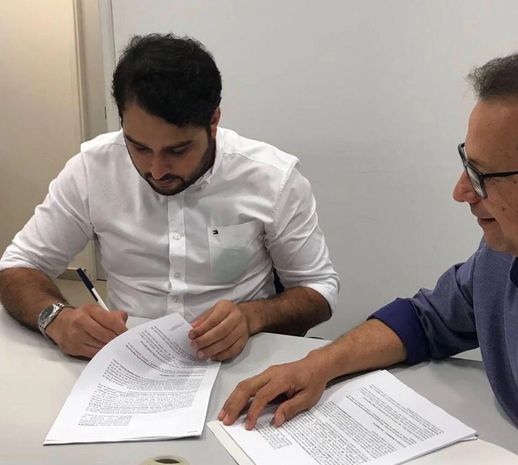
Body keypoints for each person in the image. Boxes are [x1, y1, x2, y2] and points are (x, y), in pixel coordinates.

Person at [218, 45, 518, 465]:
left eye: (484, 176)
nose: (461, 191)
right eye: (466, 163)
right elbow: (424, 320)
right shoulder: (507, 256)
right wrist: (317, 366)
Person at [0, 34, 339, 361]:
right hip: (127, 359)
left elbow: (319, 289)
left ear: (213, 121)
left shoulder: (271, 178)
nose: (157, 170)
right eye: (139, 147)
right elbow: (16, 267)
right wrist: (56, 317)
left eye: (177, 150)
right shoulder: (92, 169)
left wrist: (254, 317)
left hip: (239, 359)